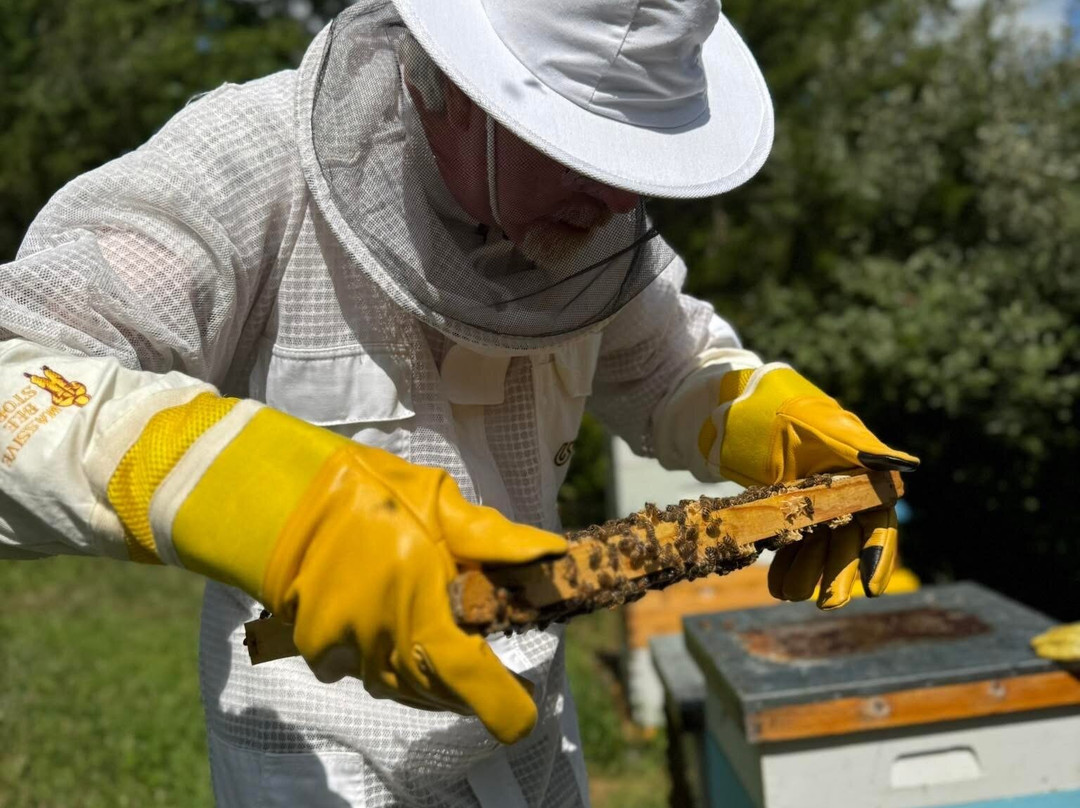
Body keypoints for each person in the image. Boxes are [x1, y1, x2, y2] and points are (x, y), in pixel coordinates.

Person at [0, 0, 918, 805]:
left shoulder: (589, 227)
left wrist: (758, 413)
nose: (617, 196)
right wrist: (235, 483)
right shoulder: (244, 164)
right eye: (576, 140)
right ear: (458, 84)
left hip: (529, 724)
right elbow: (18, 374)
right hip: (321, 751)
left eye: (632, 149)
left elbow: (668, 363)